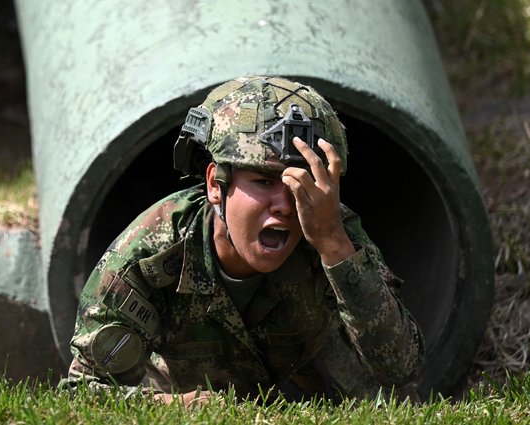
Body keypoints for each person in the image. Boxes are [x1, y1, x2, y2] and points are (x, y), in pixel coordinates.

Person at [62, 75, 424, 405]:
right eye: (264, 182)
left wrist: (334, 246)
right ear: (215, 185)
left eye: (299, 183)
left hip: (310, 394)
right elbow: (82, 394)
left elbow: (401, 369)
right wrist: (178, 408)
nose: (285, 205)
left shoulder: (331, 230)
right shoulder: (149, 255)